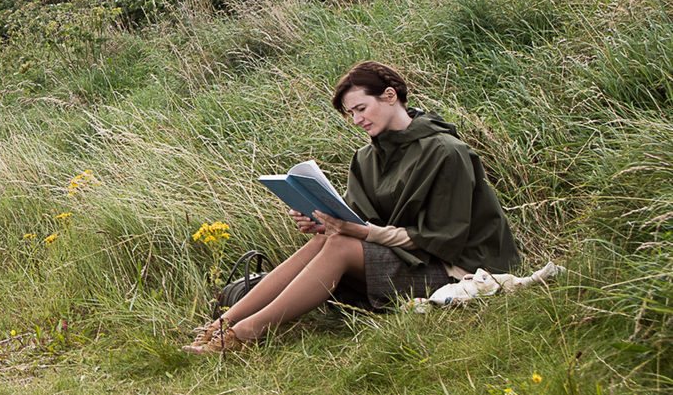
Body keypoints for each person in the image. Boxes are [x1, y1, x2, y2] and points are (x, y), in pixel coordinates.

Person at [185, 61, 521, 354]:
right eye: (351, 113)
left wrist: (356, 231)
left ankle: (245, 334)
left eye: (361, 108)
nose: (356, 119)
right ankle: (221, 325)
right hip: (403, 258)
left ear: (390, 96)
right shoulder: (367, 157)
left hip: (454, 265)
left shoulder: (447, 152)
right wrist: (323, 223)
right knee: (324, 240)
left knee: (342, 246)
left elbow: (443, 238)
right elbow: (361, 221)